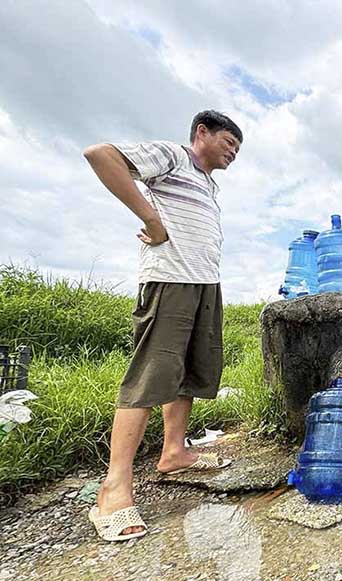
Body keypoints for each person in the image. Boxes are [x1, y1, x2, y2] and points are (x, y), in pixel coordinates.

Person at [82, 110, 243, 541]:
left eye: (238, 149)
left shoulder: (209, 185)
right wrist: (151, 220)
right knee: (151, 374)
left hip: (204, 284)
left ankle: (174, 452)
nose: (233, 151)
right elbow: (101, 155)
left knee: (190, 371)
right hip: (170, 281)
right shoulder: (174, 156)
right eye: (229, 141)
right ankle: (114, 487)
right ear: (201, 133)